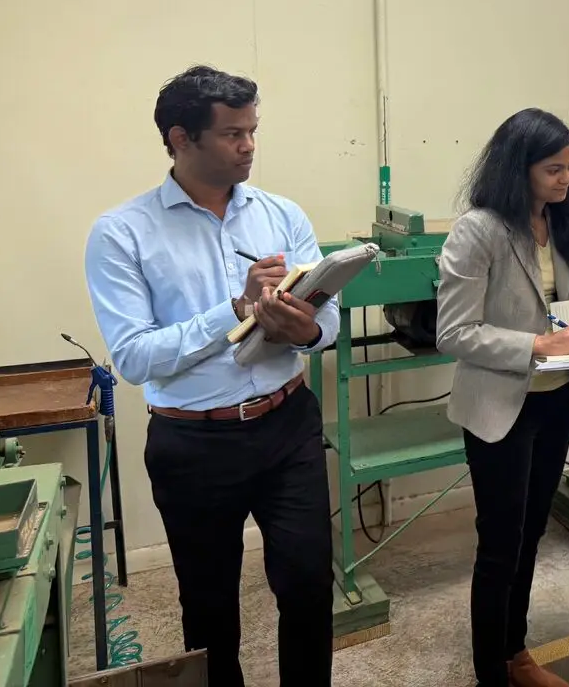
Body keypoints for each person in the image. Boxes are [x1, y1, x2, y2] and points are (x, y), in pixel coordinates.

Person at [84, 65, 338, 687]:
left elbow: (326, 320)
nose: (249, 145)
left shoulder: (281, 214)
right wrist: (233, 312)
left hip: (288, 424)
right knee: (209, 607)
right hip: (193, 444)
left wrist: (299, 327)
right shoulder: (121, 234)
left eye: (253, 130)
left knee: (308, 589)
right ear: (180, 138)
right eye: (232, 134)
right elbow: (136, 359)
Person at [435, 108, 569, 687]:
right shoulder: (478, 230)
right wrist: (538, 344)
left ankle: (517, 654)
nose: (567, 180)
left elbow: (568, 309)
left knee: (532, 533)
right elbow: (454, 333)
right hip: (502, 407)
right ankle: (491, 673)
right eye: (554, 169)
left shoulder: (561, 225)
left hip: (555, 400)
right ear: (518, 168)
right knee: (500, 543)